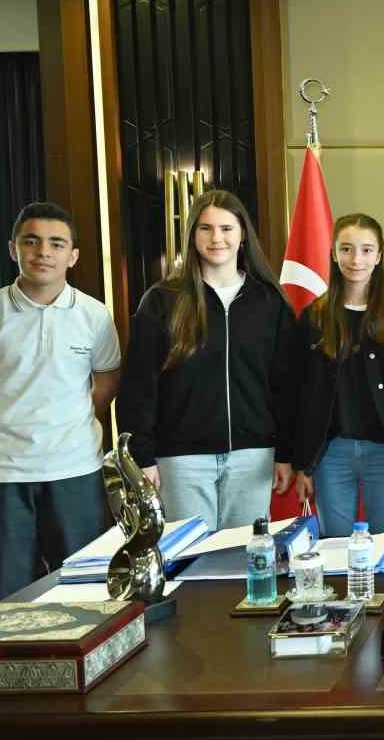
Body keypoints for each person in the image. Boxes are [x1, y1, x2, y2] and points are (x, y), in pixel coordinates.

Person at [0, 201, 122, 601]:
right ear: (14, 249)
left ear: (72, 256)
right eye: (32, 241)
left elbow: (107, 383)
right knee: (7, 598)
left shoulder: (95, 316)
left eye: (56, 243)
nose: (43, 252)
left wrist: (70, 424)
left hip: (75, 471)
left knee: (86, 592)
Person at [117, 190, 299, 532]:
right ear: (192, 235)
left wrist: (286, 453)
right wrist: (141, 456)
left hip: (253, 457)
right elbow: (138, 386)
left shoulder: (269, 302)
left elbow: (286, 385)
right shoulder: (161, 300)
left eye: (227, 228)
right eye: (206, 228)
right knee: (191, 556)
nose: (217, 238)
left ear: (242, 236)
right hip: (180, 461)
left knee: (243, 555)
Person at [293, 214, 384, 537]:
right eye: (347, 249)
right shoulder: (313, 318)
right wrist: (302, 464)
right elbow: (299, 397)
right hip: (331, 456)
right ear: (333, 253)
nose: (356, 260)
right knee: (336, 547)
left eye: (367, 250)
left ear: (379, 256)